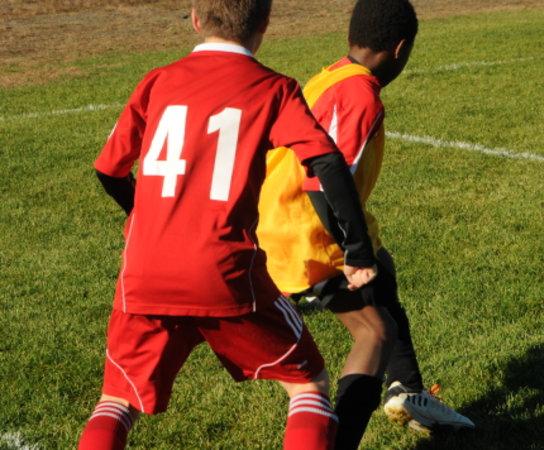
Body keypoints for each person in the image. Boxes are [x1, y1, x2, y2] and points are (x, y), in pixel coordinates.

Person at [77, 1, 379, 449]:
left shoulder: (158, 80)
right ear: (265, 23)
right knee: (307, 383)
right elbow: (327, 162)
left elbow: (109, 170)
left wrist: (144, 216)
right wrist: (357, 252)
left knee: (117, 399)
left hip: (145, 270)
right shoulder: (274, 89)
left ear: (196, 19)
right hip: (224, 270)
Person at [257, 0, 474, 447]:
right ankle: (339, 440)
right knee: (375, 332)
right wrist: (354, 252)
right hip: (302, 235)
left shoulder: (332, 76)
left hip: (284, 215)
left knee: (383, 267)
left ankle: (408, 391)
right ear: (400, 49)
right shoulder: (359, 95)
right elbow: (323, 184)